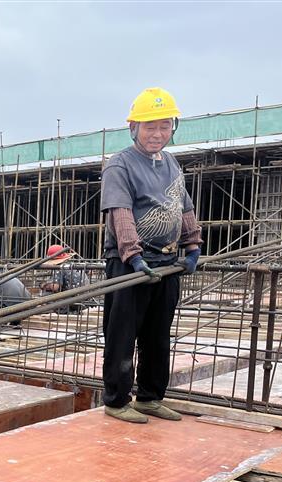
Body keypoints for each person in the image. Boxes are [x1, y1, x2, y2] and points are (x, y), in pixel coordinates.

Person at [99, 87, 202, 424]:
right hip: (130, 264)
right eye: (150, 127)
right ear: (134, 127)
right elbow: (121, 212)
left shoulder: (171, 163)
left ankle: (150, 396)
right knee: (122, 333)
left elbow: (182, 206)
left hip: (166, 263)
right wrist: (133, 255)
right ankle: (116, 400)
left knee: (158, 334)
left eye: (164, 126)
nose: (158, 134)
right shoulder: (120, 165)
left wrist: (192, 244)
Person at [40, 244, 89, 313]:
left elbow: (56, 287)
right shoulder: (72, 266)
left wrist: (44, 285)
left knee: (46, 295)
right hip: (84, 301)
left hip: (71, 301)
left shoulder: (59, 267)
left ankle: (66, 311)